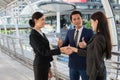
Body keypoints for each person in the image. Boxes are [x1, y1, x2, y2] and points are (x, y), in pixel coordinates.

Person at [67, 11, 112, 80]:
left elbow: (97, 61)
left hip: (95, 75)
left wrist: (91, 78)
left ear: (96, 22)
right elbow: (92, 53)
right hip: (90, 72)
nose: (91, 25)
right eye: (74, 19)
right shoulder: (98, 36)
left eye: (91, 22)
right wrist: (76, 49)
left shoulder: (99, 38)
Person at [29, 12, 66, 80]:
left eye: (44, 19)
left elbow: (47, 51)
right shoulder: (33, 35)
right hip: (39, 66)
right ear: (35, 20)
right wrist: (60, 50)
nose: (44, 22)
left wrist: (49, 68)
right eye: (42, 19)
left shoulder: (42, 33)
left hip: (45, 65)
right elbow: (44, 52)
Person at [58, 11, 94, 80]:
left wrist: (86, 45)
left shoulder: (89, 32)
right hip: (72, 65)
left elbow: (93, 48)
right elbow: (64, 45)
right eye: (74, 19)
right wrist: (60, 45)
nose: (77, 20)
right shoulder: (69, 32)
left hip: (85, 66)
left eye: (78, 18)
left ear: (82, 19)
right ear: (71, 21)